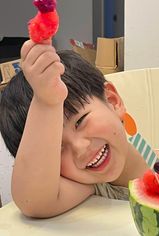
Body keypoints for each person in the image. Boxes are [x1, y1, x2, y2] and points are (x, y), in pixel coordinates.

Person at [0, 40, 148, 218]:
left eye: (80, 121)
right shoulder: (88, 186)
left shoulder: (152, 151)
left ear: (112, 101)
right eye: (57, 147)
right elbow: (33, 202)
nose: (79, 147)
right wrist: (46, 103)